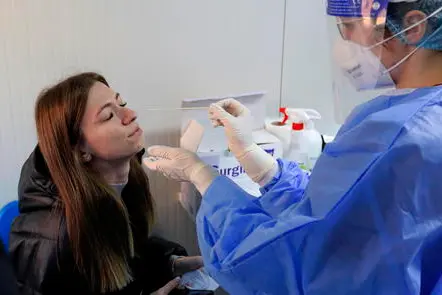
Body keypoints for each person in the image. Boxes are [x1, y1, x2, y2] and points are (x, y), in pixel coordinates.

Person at [144, 0, 442, 294]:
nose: (344, 41)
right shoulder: (423, 116)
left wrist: (203, 177)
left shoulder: (398, 134)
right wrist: (262, 166)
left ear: (413, 27)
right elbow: (334, 213)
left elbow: (282, 264)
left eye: (350, 26)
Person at [9, 72, 203, 295]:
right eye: (109, 115)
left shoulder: (128, 179)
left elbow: (125, 254)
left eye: (122, 104)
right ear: (80, 151)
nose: (131, 114)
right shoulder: (55, 241)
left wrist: (170, 262)